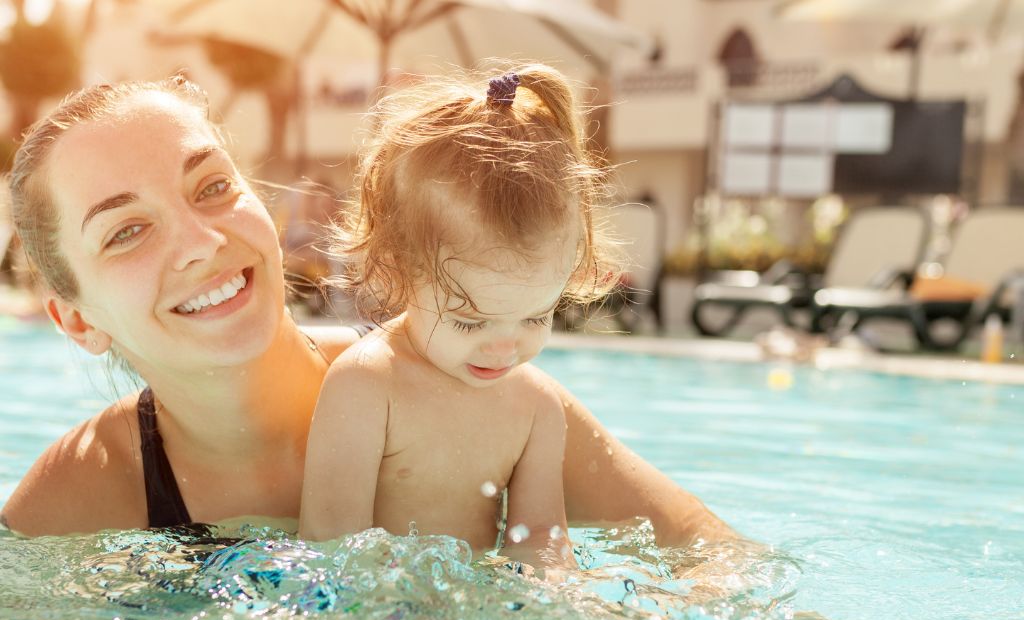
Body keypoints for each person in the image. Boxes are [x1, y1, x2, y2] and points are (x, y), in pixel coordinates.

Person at [0, 76, 737, 549]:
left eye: (213, 187)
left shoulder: (458, 375)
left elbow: (712, 557)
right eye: (126, 230)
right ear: (76, 320)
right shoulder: (85, 488)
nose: (202, 242)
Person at [299, 67, 617, 566]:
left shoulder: (536, 406)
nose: (505, 347)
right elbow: (331, 548)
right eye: (471, 321)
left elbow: (540, 542)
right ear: (397, 270)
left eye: (535, 317)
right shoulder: (367, 386)